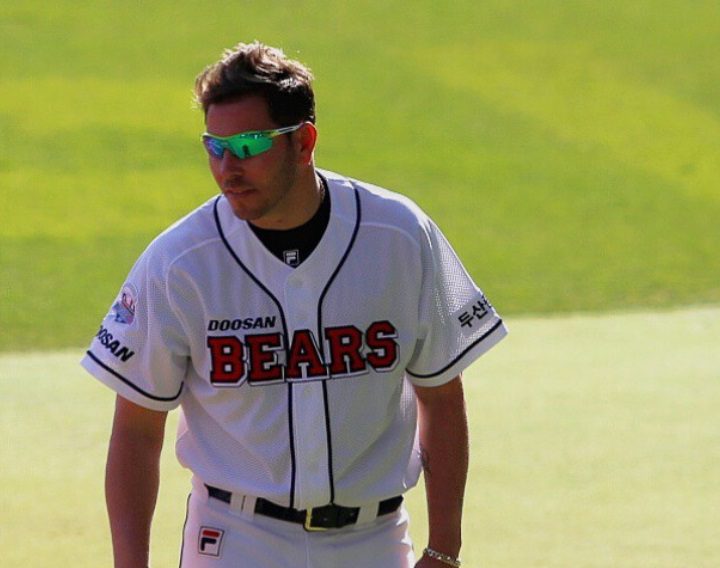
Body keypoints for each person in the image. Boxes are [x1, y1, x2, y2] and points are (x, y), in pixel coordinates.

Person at [81, 41, 507, 568]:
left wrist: (444, 548)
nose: (228, 168)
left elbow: (440, 396)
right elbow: (136, 430)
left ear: (303, 142)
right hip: (236, 540)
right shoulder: (180, 262)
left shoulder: (398, 236)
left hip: (374, 540)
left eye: (249, 145)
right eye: (215, 146)